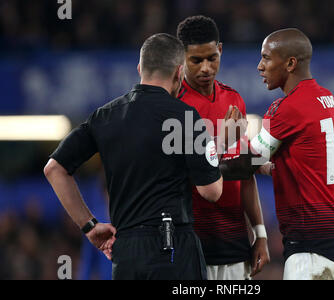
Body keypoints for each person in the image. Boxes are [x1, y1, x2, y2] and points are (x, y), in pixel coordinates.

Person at [44, 33, 224, 280]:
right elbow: (211, 191)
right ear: (179, 73)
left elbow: (54, 169)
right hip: (172, 249)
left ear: (140, 68)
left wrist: (89, 226)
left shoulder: (104, 116)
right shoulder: (185, 117)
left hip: (126, 252)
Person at [220, 28, 334, 280]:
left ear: (290, 63)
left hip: (311, 244)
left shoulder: (288, 107)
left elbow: (242, 167)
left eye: (267, 58)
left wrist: (223, 142)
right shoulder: (330, 101)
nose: (260, 66)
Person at [176, 15, 270, 280]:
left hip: (236, 246)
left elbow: (244, 173)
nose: (206, 68)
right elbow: (180, 177)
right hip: (191, 247)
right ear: (180, 57)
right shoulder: (173, 105)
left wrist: (260, 233)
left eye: (212, 58)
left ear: (221, 50)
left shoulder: (233, 99)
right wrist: (222, 141)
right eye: (196, 60)